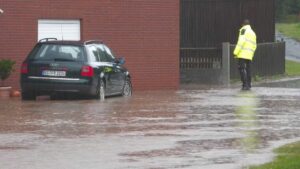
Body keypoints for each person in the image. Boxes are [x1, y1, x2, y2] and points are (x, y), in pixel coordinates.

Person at [234, 19, 257, 90]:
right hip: (249, 55)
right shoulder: (253, 33)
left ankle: (245, 85)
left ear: (243, 24)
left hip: (242, 54)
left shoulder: (243, 30)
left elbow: (241, 41)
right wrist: (251, 53)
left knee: (242, 69)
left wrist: (235, 52)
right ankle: (249, 84)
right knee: (248, 69)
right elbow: (254, 45)